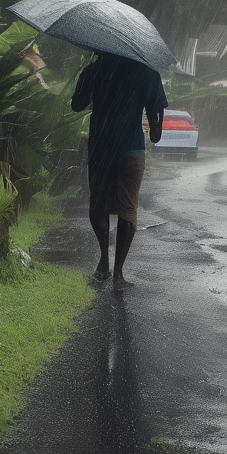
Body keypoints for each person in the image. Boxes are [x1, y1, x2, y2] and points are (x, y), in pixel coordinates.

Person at [71, 52, 167, 291]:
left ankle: (104, 260)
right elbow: (156, 118)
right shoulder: (145, 72)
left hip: (101, 148)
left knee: (99, 203)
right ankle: (118, 273)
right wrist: (156, 127)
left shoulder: (94, 70)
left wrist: (88, 80)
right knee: (128, 207)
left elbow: (77, 105)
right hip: (130, 149)